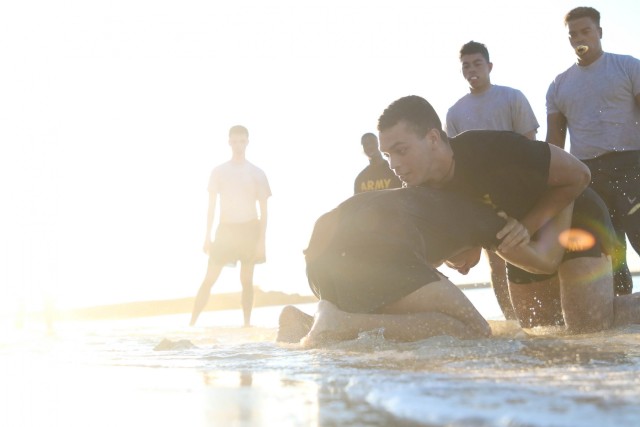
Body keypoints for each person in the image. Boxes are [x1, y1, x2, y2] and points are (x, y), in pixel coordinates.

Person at [377, 95, 640, 335]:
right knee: (542, 332)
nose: (394, 164)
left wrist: (526, 227)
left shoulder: (492, 148)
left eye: (401, 150)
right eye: (387, 155)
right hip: (519, 240)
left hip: (574, 215)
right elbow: (465, 253)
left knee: (588, 326)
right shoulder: (422, 194)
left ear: (433, 138)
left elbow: (579, 174)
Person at [277, 185, 571, 345]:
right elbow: (545, 262)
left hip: (319, 261)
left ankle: (305, 323)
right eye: (467, 263)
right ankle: (340, 323)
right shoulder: (483, 218)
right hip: (369, 249)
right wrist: (566, 198)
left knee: (407, 319)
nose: (464, 268)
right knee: (473, 329)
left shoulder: (422, 202)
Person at [546, 6, 640, 297]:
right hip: (588, 174)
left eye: (586, 31)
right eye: (573, 34)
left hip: (631, 164)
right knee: (609, 250)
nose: (579, 38)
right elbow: (554, 143)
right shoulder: (559, 85)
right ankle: (621, 318)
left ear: (599, 33)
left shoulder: (628, 66)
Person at [445, 40, 540, 320]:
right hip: (482, 197)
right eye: (466, 66)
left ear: (489, 66)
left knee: (533, 250)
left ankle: (546, 319)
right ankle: (514, 322)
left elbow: (531, 146)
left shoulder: (512, 97)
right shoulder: (455, 112)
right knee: (498, 262)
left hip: (520, 191)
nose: (472, 69)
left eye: (477, 63)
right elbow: (455, 162)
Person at [189, 125, 271, 327]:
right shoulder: (218, 171)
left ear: (247, 142)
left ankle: (246, 324)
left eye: (242, 141)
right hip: (225, 230)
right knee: (209, 278)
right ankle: (191, 323)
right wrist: (207, 236)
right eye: (234, 141)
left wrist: (262, 241)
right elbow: (211, 207)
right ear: (229, 142)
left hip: (249, 229)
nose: (238, 145)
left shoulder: (257, 173)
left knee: (246, 280)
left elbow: (264, 212)